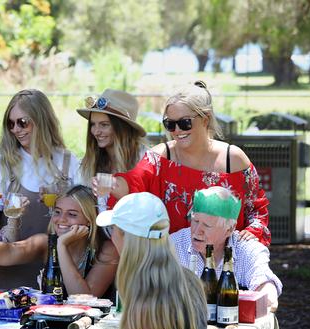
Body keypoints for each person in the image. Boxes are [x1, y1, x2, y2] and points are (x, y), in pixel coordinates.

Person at [104, 81, 271, 246]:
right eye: (170, 124)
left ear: (205, 119)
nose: (177, 130)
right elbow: (133, 184)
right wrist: (114, 185)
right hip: (173, 262)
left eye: (185, 123)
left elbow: (256, 209)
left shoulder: (232, 159)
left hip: (225, 263)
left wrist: (251, 232)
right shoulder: (160, 157)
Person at [95, 192, 213, 329]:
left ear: (127, 238)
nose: (111, 237)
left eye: (113, 230)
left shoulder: (147, 296)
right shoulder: (188, 280)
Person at [0, 89, 80, 289]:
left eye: (22, 122)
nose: (16, 129)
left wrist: (61, 202)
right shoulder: (1, 163)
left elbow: (84, 216)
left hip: (57, 269)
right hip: (8, 271)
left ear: (41, 120)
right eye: (11, 123)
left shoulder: (68, 162)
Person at [0, 185, 118, 296]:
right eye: (57, 212)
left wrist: (61, 246)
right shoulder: (46, 243)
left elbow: (83, 298)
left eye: (72, 214)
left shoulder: (107, 249)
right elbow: (11, 250)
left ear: (90, 220)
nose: (61, 220)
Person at [171, 186, 282, 311]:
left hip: (232, 327)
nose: (197, 231)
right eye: (195, 221)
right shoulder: (173, 245)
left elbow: (264, 284)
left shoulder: (245, 249)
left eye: (207, 226)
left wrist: (266, 294)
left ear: (229, 229)